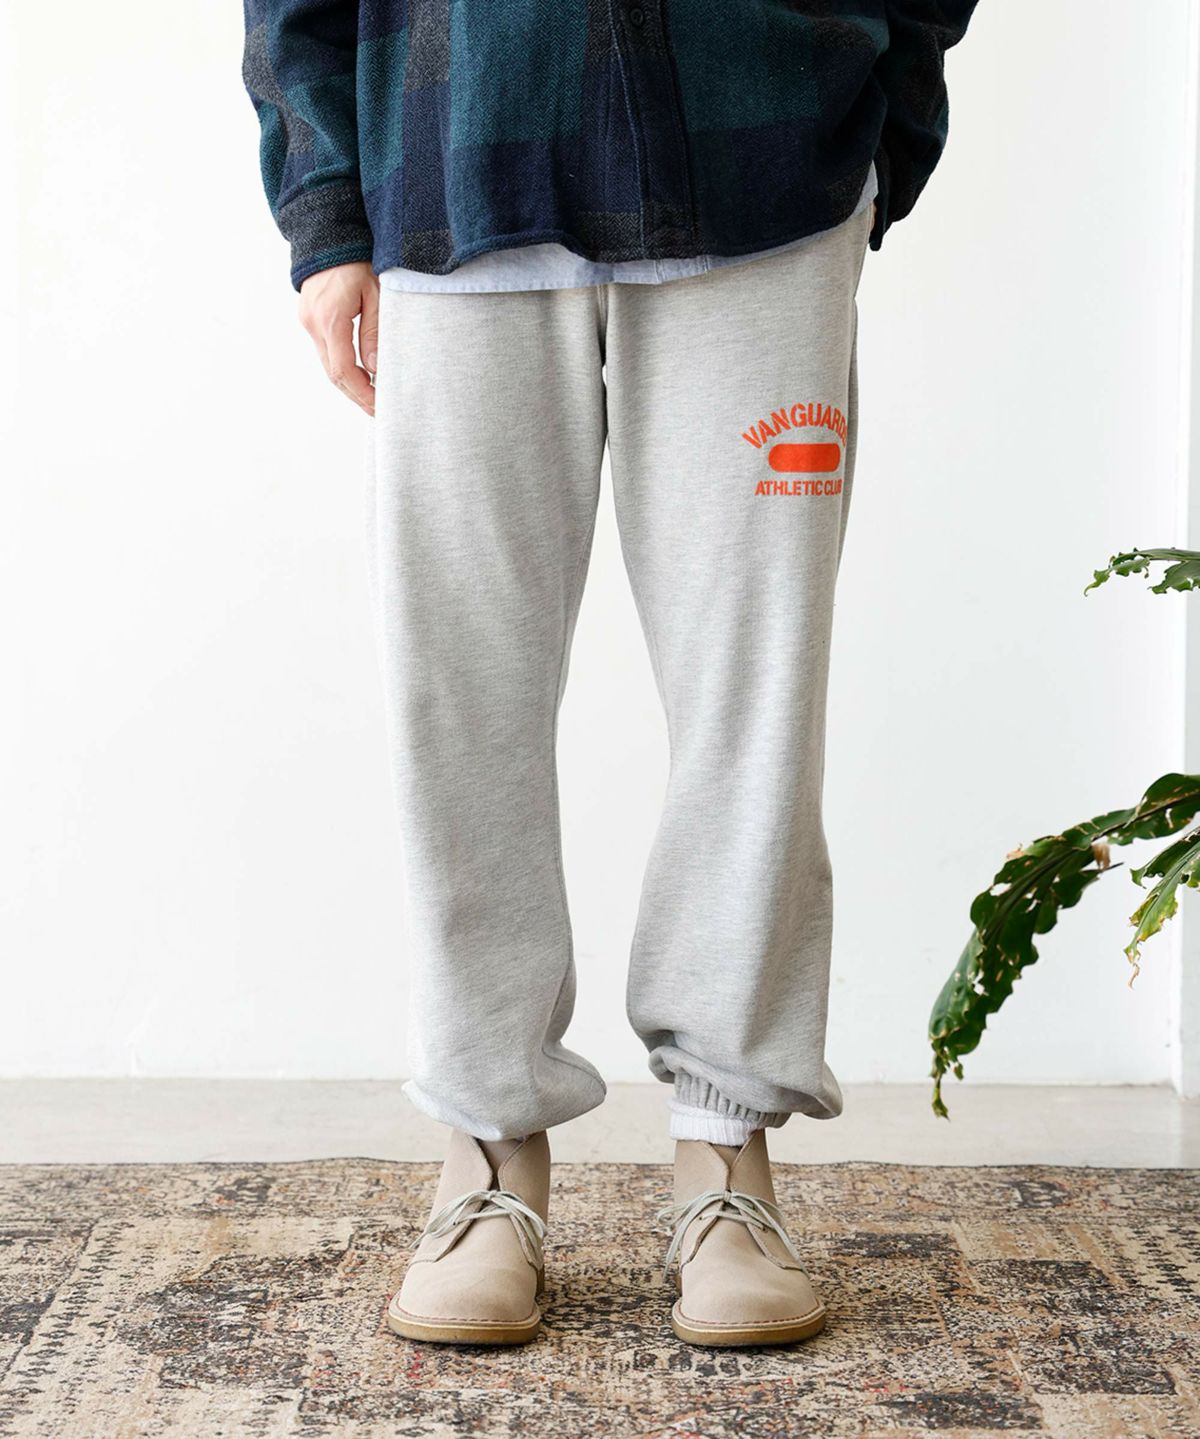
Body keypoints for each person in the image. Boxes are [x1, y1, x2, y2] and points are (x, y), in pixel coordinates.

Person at [242, 0, 977, 1348]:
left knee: (754, 684)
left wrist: (887, 127)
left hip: (765, 145)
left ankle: (726, 1150)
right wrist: (325, 210)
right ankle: (486, 1149)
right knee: (461, 691)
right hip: (453, 155)